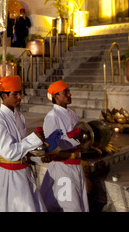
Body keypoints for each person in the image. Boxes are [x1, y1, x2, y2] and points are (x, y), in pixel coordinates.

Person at [0, 75, 47, 212]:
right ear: (4, 95)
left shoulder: (19, 117)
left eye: (20, 93)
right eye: (15, 94)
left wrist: (39, 156)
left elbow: (24, 148)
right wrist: (33, 139)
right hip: (9, 177)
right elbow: (9, 152)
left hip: (24, 173)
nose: (20, 97)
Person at [40, 80, 89, 212]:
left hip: (76, 165)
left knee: (78, 202)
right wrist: (73, 137)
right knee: (69, 206)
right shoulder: (52, 116)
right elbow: (52, 144)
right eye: (65, 92)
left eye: (68, 91)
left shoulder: (72, 114)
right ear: (56, 96)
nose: (69, 94)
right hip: (63, 167)